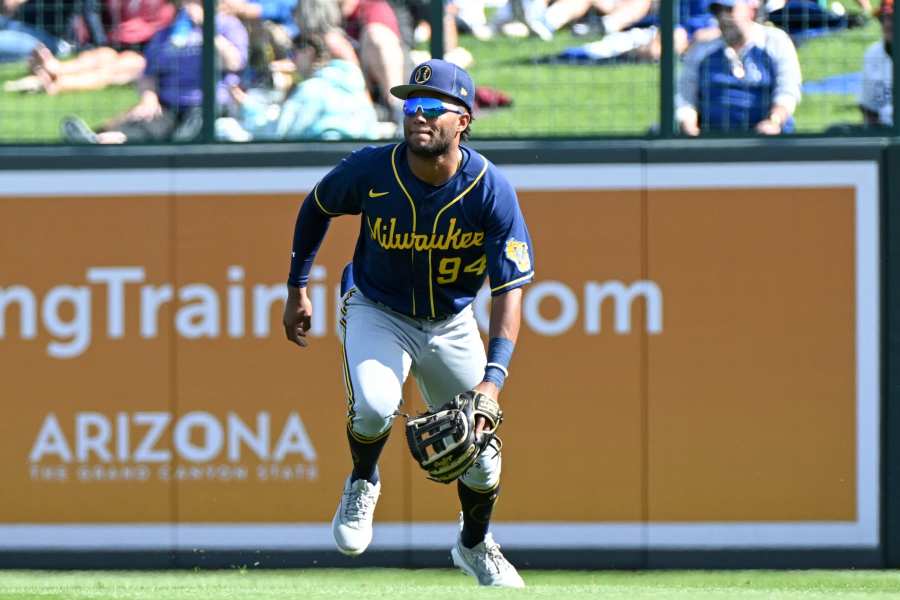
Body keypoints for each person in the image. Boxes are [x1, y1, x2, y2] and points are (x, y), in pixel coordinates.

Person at [282, 59, 534, 588]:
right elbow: (317, 206)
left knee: (482, 459)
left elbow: (510, 289)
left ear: (462, 120)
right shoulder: (373, 169)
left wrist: (495, 379)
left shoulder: (490, 190)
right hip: (378, 307)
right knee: (375, 405)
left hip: (451, 320)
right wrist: (297, 287)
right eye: (410, 106)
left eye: (431, 108)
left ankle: (474, 544)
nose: (417, 116)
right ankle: (362, 480)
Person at [61, 0, 247, 144]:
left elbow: (233, 62)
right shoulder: (166, 33)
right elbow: (149, 73)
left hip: (208, 105)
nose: (189, 6)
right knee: (141, 125)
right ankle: (100, 142)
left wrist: (207, 28)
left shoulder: (228, 26)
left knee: (185, 136)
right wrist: (149, 97)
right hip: (169, 104)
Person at [224, 30, 382, 140]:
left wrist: (248, 106)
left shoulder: (311, 89)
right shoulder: (354, 86)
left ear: (309, 53)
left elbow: (280, 133)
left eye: (293, 54)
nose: (291, 61)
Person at [676, 0, 801, 135]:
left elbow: (788, 90)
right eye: (717, 10)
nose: (723, 17)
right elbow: (685, 95)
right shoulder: (702, 48)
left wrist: (774, 121)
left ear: (751, 9)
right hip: (712, 139)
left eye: (729, 9)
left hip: (768, 141)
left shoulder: (776, 41)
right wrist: (689, 124)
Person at [4, 0, 175, 94]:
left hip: (150, 51)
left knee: (115, 69)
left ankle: (57, 83)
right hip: (121, 44)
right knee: (101, 55)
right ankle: (55, 68)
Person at [859, 0, 893, 127]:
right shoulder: (873, 54)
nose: (888, 24)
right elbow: (869, 108)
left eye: (893, 18)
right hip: (885, 132)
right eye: (883, 19)